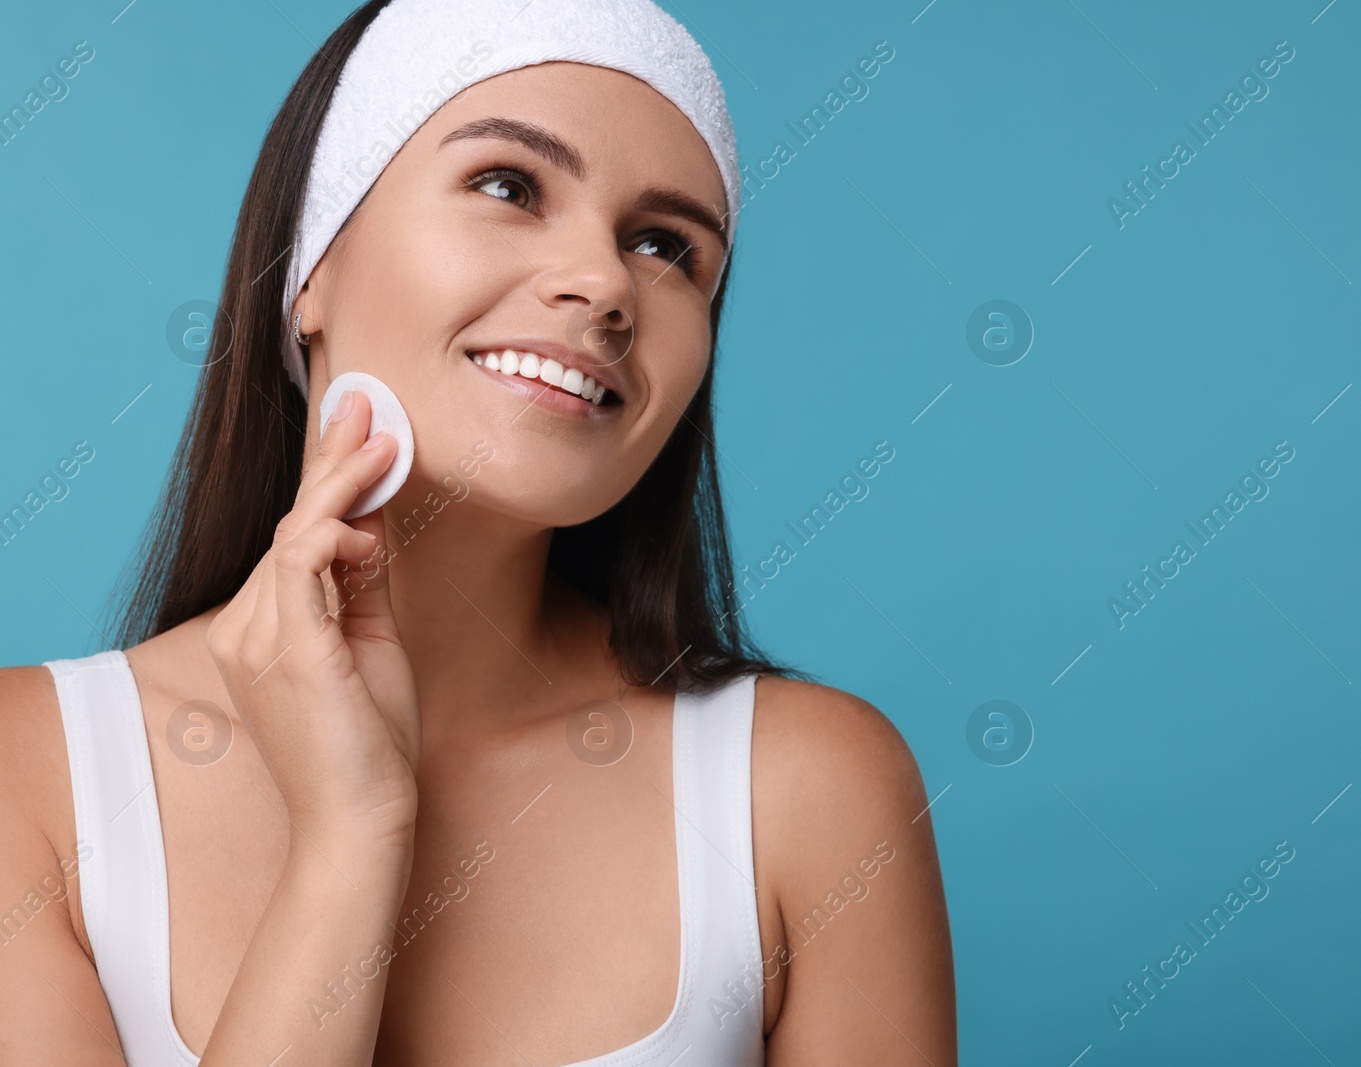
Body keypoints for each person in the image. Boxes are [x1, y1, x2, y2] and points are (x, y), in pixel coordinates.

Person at [0, 1, 956, 1063]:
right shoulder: (27, 777)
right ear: (312, 271)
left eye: (666, 245)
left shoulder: (811, 790)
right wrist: (349, 839)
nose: (604, 285)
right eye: (508, 185)